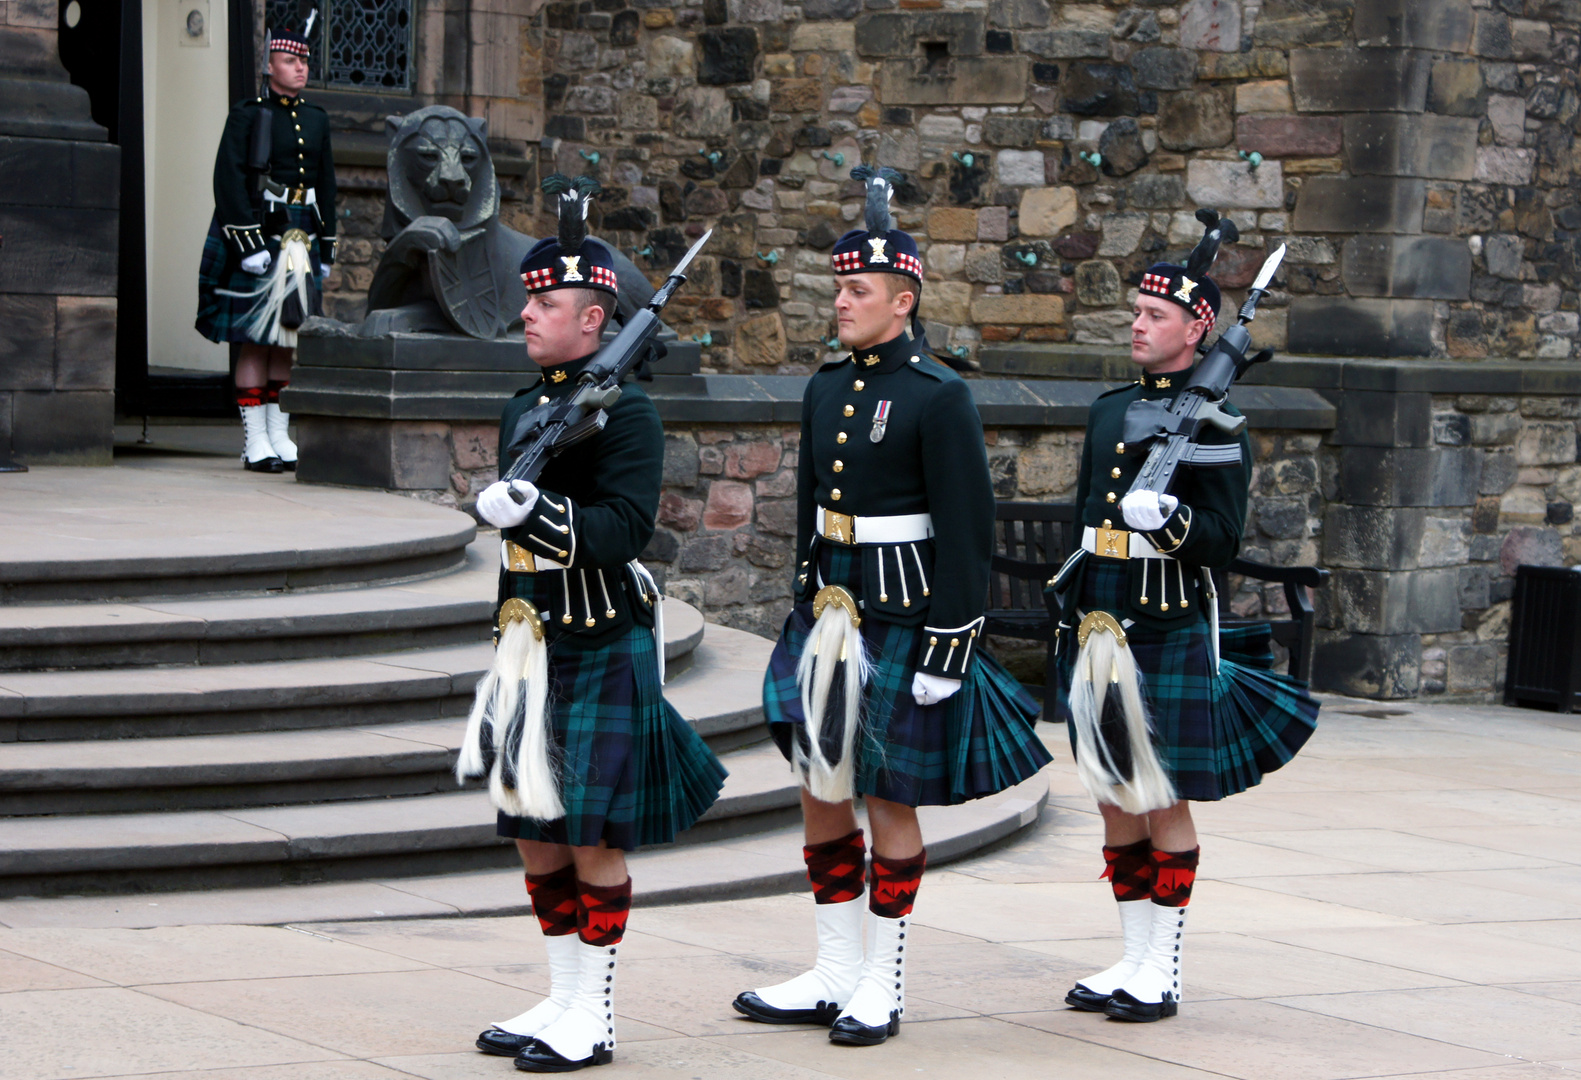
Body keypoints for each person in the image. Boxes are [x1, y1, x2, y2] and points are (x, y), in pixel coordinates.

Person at [731, 165, 1052, 1047]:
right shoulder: (826, 385)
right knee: (818, 787)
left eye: (857, 289)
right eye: (838, 287)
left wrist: (949, 647)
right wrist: (803, 593)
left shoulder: (938, 395)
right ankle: (832, 969)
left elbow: (967, 530)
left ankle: (882, 981)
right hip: (830, 612)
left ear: (901, 300)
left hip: (904, 616)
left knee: (888, 797)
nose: (840, 302)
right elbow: (810, 506)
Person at [462, 174, 726, 1073]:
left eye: (549, 302)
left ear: (595, 320)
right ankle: (559, 992)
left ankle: (595, 1014)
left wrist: (530, 513)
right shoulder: (523, 405)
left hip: (596, 634)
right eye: (530, 298)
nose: (529, 313)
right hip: (529, 640)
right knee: (535, 828)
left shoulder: (630, 411)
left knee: (591, 833)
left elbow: (622, 530)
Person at [1048, 216, 1319, 1023]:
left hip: (1161, 623)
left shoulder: (1217, 424)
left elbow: (1220, 543)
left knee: (1160, 795)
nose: (1137, 323)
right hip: (1097, 619)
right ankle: (1130, 953)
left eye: (1154, 315)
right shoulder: (1108, 410)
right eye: (1135, 312)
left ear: (1198, 326)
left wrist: (1164, 519)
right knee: (1109, 792)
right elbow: (1084, 521)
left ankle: (1160, 969)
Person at [195, 16, 336, 473]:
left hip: (301, 235)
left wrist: (327, 247)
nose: (300, 69)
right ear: (268, 64)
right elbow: (228, 180)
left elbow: (327, 185)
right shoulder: (248, 113)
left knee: (287, 342)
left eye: (304, 61)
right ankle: (255, 439)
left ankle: (280, 434)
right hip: (263, 233)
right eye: (290, 60)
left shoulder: (316, 119)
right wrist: (247, 243)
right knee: (255, 340)